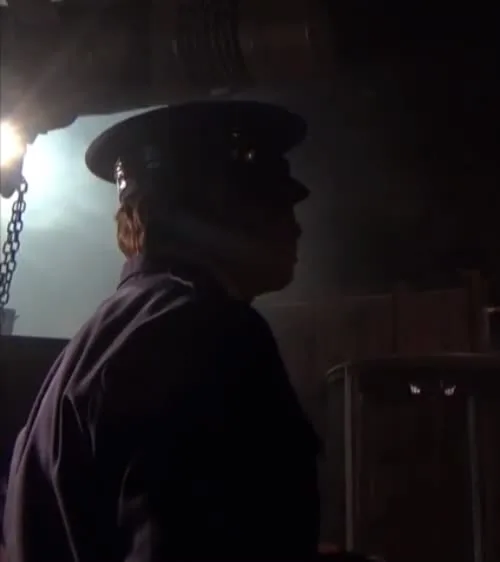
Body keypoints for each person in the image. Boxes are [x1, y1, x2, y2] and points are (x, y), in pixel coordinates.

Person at [2, 101, 323, 562]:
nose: (296, 226)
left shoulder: (105, 337)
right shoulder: (208, 333)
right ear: (215, 210)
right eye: (274, 201)